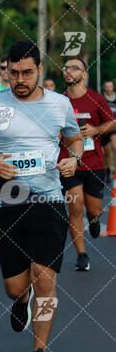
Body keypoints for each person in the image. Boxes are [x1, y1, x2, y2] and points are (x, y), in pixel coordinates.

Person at [0, 40, 82, 352]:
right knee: (15, 287)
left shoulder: (60, 104)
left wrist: (73, 158)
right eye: (13, 72)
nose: (19, 79)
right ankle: (21, 301)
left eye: (27, 72)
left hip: (48, 201)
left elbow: (75, 138)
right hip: (8, 203)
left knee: (45, 278)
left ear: (40, 70)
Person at [59, 59, 116, 271]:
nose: (68, 71)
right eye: (66, 68)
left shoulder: (96, 98)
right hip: (69, 163)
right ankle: (81, 254)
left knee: (94, 210)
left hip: (94, 163)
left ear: (83, 74)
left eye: (73, 68)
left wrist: (95, 130)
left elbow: (112, 122)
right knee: (75, 206)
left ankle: (93, 221)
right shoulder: (59, 100)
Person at [101, 80, 116, 183]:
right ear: (104, 87)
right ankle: (107, 171)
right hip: (104, 127)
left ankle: (114, 170)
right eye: (106, 86)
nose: (108, 88)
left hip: (114, 127)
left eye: (110, 86)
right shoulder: (101, 98)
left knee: (115, 147)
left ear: (113, 87)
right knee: (106, 152)